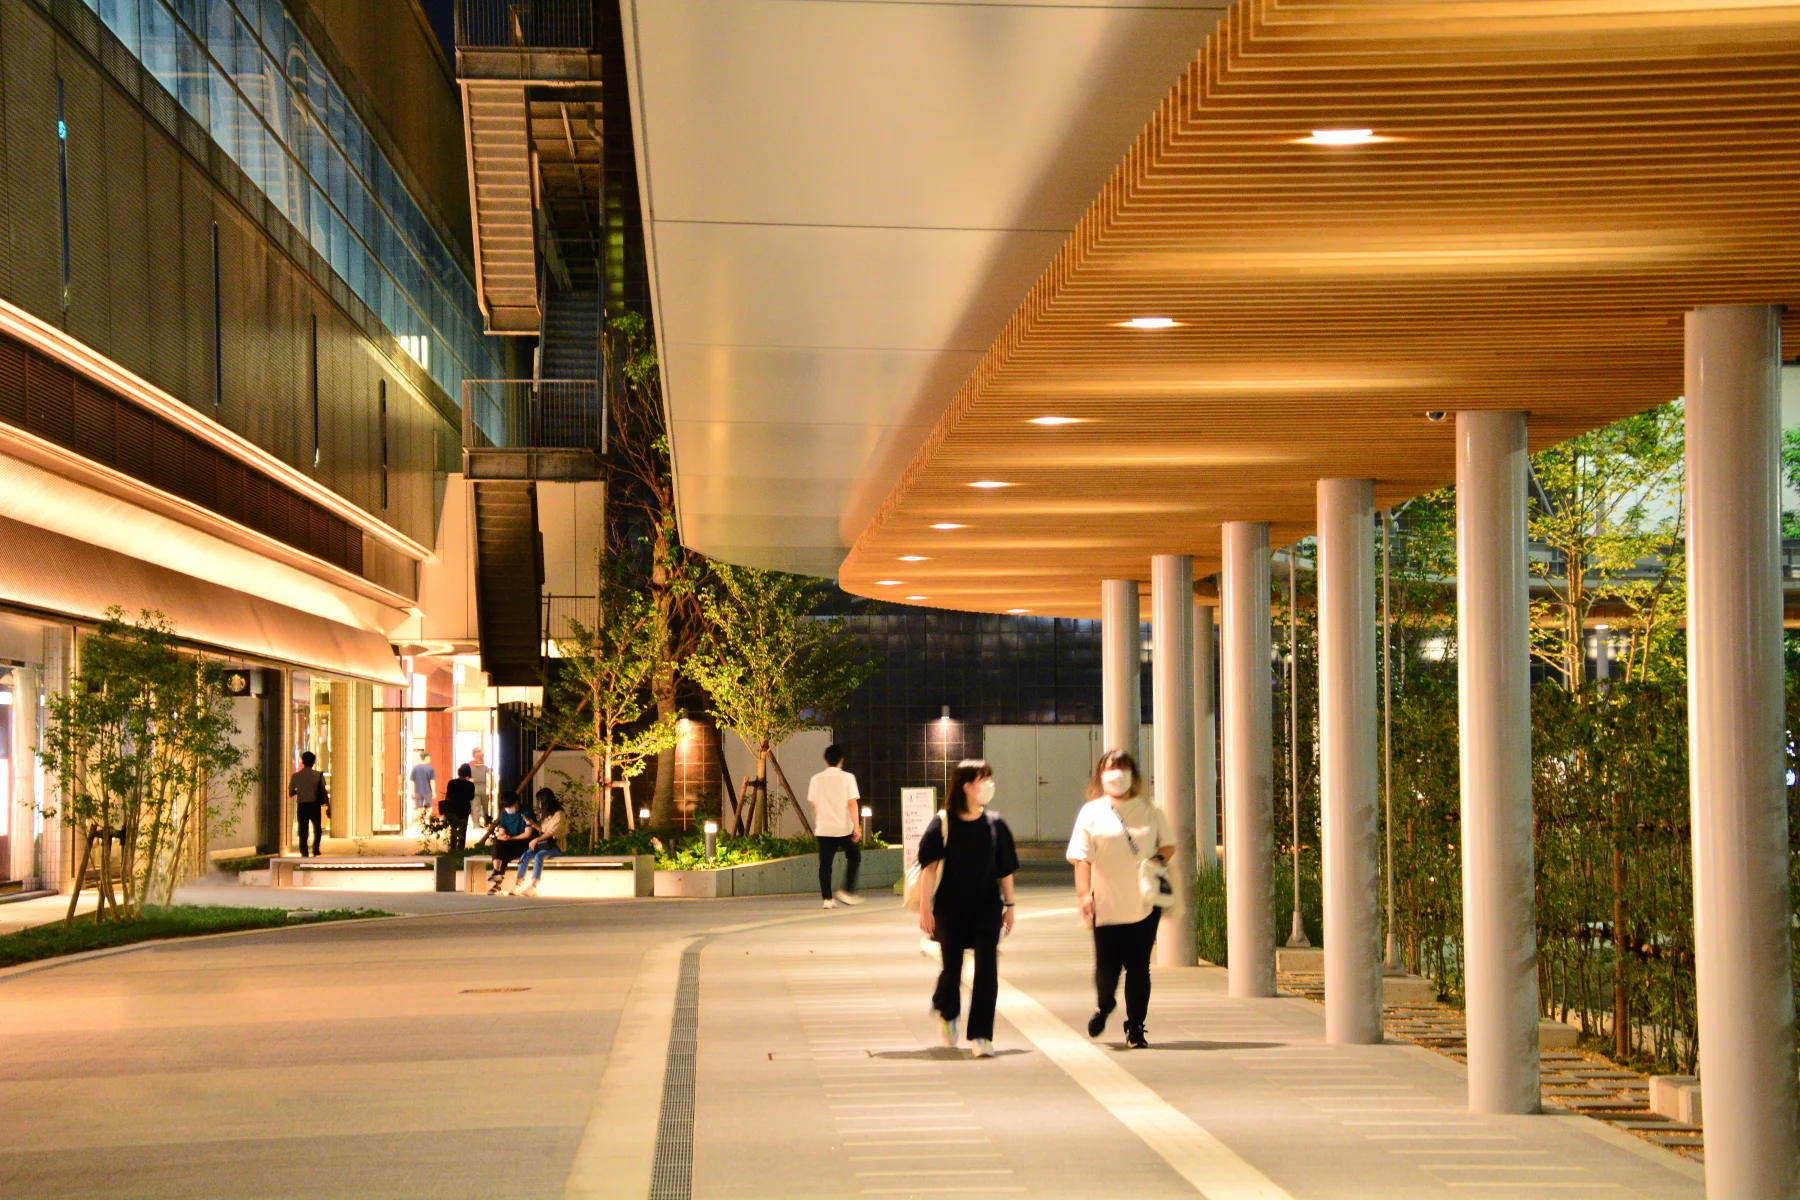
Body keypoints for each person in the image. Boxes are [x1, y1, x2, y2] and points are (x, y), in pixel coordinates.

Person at [1067, 749, 1176, 1049]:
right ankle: (1104, 1006)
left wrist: (1154, 860)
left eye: (1122, 767)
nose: (1117, 774)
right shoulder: (1091, 812)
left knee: (1139, 966)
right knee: (1107, 967)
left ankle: (1136, 1027)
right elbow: (1081, 859)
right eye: (1110, 768)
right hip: (1106, 902)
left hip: (1143, 902)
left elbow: (1168, 845)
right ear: (1100, 775)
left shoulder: (1149, 809)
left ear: (1133, 774)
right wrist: (1083, 895)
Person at [916, 759, 1018, 1059]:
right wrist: (925, 908)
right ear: (967, 786)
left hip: (987, 909)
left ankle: (982, 1035)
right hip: (950, 910)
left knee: (988, 972)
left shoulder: (996, 824)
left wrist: (1010, 906)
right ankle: (948, 1013)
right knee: (952, 969)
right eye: (983, 779)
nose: (989, 785)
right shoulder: (943, 822)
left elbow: (1005, 870)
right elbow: (929, 869)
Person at [808, 744, 864, 909]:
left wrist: (818, 820)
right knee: (854, 855)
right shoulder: (848, 778)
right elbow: (852, 804)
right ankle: (846, 891)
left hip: (824, 828)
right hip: (842, 828)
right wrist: (857, 827)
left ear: (826, 760)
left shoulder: (816, 779)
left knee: (825, 863)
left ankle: (827, 899)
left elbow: (814, 805)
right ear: (842, 760)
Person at [511, 789, 566, 896]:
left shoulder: (559, 814)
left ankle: (533, 886)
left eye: (540, 800)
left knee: (539, 856)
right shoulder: (546, 815)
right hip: (545, 844)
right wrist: (532, 824)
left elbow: (551, 833)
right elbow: (542, 829)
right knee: (525, 855)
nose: (539, 803)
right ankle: (517, 884)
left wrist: (536, 840)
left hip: (556, 846)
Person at [486, 792, 536, 894]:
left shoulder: (526, 812)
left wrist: (511, 838)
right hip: (511, 843)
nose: (509, 809)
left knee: (503, 851)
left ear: (516, 803)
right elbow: (501, 833)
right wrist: (504, 837)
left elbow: (527, 834)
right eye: (506, 807)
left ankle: (498, 883)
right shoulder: (504, 814)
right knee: (499, 844)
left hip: (525, 843)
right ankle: (497, 873)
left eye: (510, 806)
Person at [288, 751, 329, 858]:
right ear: (313, 762)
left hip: (302, 806)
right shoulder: (318, 775)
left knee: (303, 830)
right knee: (317, 829)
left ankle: (304, 852)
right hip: (314, 805)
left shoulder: (296, 776)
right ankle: (315, 849)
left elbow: (290, 793)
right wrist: (329, 806)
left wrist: (300, 790)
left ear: (302, 761)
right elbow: (324, 792)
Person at [441, 764, 476, 854]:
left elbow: (448, 795)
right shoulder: (470, 785)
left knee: (453, 829)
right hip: (464, 809)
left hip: (453, 808)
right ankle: (461, 848)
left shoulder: (452, 783)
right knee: (463, 830)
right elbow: (471, 797)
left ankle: (452, 847)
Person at [409, 752, 437, 826]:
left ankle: (420, 823)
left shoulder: (415, 768)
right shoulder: (430, 769)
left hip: (418, 791)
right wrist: (433, 792)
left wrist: (413, 792)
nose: (430, 759)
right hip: (427, 791)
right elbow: (432, 781)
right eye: (429, 757)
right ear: (426, 758)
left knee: (419, 808)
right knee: (429, 807)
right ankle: (426, 821)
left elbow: (412, 781)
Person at [468, 747, 493, 827]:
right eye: (478, 757)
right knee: (482, 806)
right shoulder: (485, 768)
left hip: (477, 788)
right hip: (482, 787)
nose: (480, 758)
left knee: (477, 806)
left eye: (481, 757)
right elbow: (490, 777)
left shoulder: (471, 768)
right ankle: (483, 822)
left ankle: (478, 824)